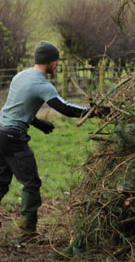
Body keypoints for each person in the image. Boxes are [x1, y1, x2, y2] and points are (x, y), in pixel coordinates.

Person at [0, 41, 102, 241]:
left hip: (0, 131)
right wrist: (94, 112)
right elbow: (64, 107)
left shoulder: (21, 75)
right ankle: (27, 234)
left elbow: (15, 107)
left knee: (1, 182)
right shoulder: (41, 84)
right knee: (31, 182)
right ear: (48, 61)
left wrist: (37, 122)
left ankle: (26, 232)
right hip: (13, 137)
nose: (57, 65)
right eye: (56, 61)